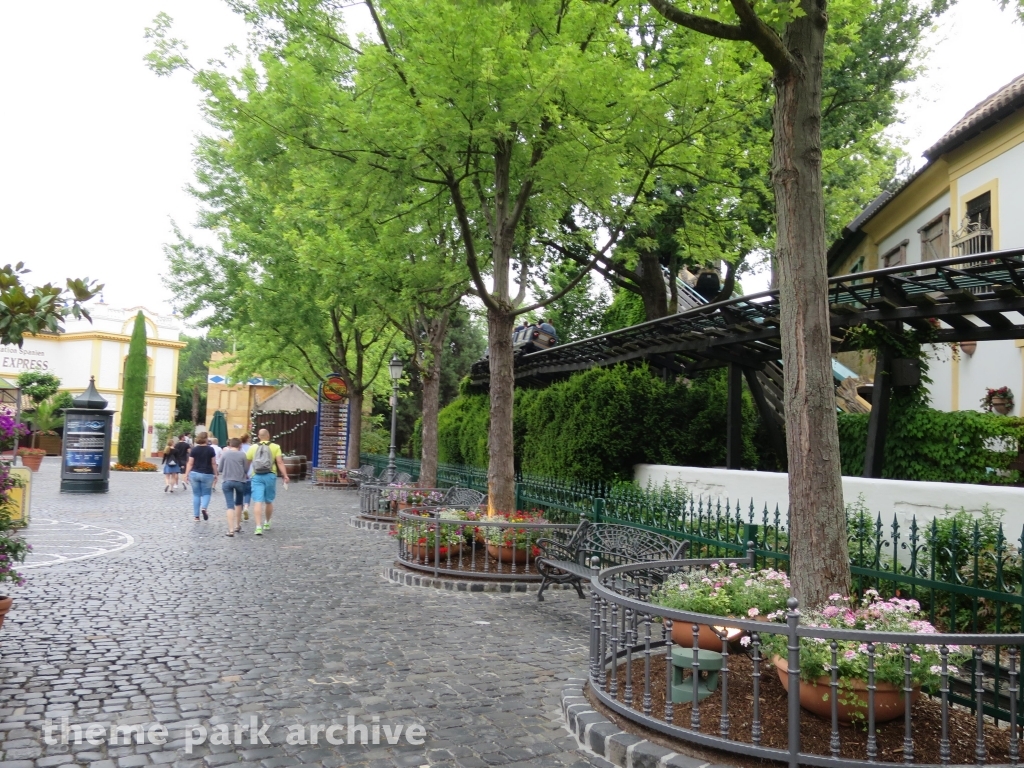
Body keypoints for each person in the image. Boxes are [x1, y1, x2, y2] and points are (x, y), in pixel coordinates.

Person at [245, 428, 290, 536]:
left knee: (258, 501)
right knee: (268, 501)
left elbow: (248, 462)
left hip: (256, 476)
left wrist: (245, 473)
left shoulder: (252, 447)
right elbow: (279, 462)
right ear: (268, 436)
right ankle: (267, 522)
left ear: (259, 436)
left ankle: (258, 527)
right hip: (270, 475)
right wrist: (285, 475)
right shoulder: (275, 447)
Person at [183, 432, 218, 522]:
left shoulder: (194, 449)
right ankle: (204, 508)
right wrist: (216, 474)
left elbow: (190, 463)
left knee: (196, 495)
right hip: (207, 474)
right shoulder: (210, 450)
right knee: (206, 493)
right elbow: (213, 463)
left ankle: (196, 516)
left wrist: (186, 474)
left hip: (194, 474)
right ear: (206, 439)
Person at [219, 438, 249, 537]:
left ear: (230, 445)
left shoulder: (225, 454)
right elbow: (246, 469)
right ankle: (237, 525)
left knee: (229, 505)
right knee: (239, 503)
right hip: (240, 481)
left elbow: (220, 469)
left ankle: (231, 530)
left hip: (227, 481)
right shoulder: (242, 455)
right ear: (240, 445)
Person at [239, 433, 252, 520]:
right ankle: (246, 506)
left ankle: (239, 512)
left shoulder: (238, 448)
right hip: (250, 473)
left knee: (239, 494)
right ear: (248, 439)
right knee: (248, 492)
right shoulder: (252, 448)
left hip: (239, 474)